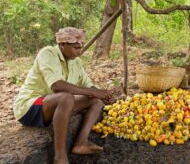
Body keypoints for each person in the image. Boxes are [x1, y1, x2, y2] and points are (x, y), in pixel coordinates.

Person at [13, 27, 115, 164]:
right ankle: (60, 158)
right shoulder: (47, 54)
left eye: (81, 47)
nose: (79, 52)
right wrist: (91, 91)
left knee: (96, 100)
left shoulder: (76, 62)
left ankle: (81, 143)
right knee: (66, 97)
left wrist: (103, 95)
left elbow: (88, 85)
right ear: (62, 45)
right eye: (75, 48)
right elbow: (57, 86)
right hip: (30, 107)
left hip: (55, 106)